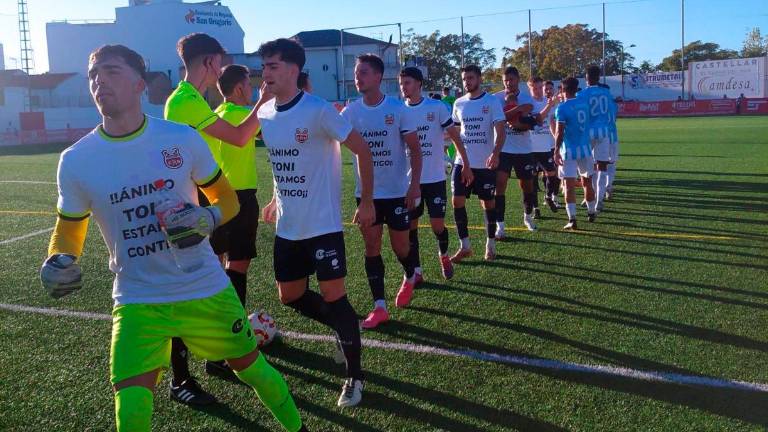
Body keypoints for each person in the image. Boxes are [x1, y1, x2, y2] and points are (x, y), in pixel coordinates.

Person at [40, 44, 307, 432]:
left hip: (202, 285)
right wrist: (59, 258)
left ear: (139, 84)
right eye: (93, 76)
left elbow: (228, 200)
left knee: (256, 374)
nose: (100, 81)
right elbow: (69, 230)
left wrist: (207, 217)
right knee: (130, 408)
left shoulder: (179, 138)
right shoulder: (77, 159)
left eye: (111, 72)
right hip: (137, 297)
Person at [257, 38, 375, 407]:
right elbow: (281, 162)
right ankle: (343, 329)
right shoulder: (264, 115)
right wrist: (276, 197)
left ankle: (355, 378)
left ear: (293, 70)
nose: (266, 73)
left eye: (273, 66)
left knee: (333, 296)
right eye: (264, 67)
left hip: (322, 225)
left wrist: (368, 200)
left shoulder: (319, 110)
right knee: (289, 296)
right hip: (288, 227)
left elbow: (363, 150)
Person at [164, 32, 271, 406]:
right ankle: (180, 379)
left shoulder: (190, 99)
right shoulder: (186, 101)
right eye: (220, 62)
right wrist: (264, 102)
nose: (221, 69)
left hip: (198, 208)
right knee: (187, 289)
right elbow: (241, 137)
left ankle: (217, 354)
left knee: (206, 284)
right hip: (186, 211)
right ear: (210, 62)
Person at [341, 53, 422, 328]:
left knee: (401, 247)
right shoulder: (350, 112)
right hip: (367, 196)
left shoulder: (398, 109)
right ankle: (379, 306)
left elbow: (415, 150)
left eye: (363, 72)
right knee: (372, 246)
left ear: (378, 76)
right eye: (356, 72)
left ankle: (411, 274)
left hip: (397, 193)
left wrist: (414, 185)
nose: (358, 77)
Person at [201, 64, 262, 380]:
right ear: (239, 88)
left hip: (214, 198)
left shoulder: (214, 113)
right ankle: (233, 340)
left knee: (217, 267)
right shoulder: (241, 115)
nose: (252, 91)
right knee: (237, 267)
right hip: (239, 199)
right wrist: (264, 103)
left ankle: (214, 346)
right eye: (249, 86)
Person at [398, 66, 473, 291]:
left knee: (437, 225)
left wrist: (466, 163)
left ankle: (443, 255)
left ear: (419, 84)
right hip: (411, 182)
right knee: (411, 226)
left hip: (435, 178)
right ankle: (417, 270)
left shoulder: (436, 107)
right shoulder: (399, 111)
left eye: (408, 83)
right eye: (401, 84)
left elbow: (454, 137)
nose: (404, 87)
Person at [449, 64, 505, 262]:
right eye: (464, 79)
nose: (467, 82)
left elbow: (500, 129)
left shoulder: (491, 102)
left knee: (488, 203)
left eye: (471, 78)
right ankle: (465, 245)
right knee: (456, 200)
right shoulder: (459, 103)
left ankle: (490, 244)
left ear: (480, 79)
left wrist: (496, 153)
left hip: (485, 163)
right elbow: (455, 133)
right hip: (462, 161)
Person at [493, 66, 538, 237]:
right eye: (505, 80)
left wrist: (520, 125)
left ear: (518, 79)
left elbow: (533, 123)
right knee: (500, 185)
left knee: (527, 185)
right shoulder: (495, 99)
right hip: (503, 148)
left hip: (524, 149)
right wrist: (518, 110)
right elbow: (495, 120)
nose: (508, 83)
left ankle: (527, 216)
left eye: (511, 80)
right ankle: (500, 225)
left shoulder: (528, 98)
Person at [554, 77, 596, 230]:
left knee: (569, 185)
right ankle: (591, 211)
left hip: (569, 151)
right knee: (587, 182)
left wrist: (556, 150)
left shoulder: (562, 108)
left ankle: (572, 219)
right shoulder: (584, 104)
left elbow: (559, 132)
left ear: (563, 90)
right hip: (585, 149)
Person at [579, 65, 617, 213]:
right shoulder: (606, 92)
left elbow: (581, 114)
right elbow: (612, 113)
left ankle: (589, 196)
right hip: (604, 132)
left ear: (586, 78)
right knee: (602, 167)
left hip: (588, 133)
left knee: (589, 167)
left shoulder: (582, 94)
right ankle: (599, 200)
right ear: (598, 77)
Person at [527, 76, 559, 216]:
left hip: (546, 147)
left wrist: (556, 137)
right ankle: (536, 208)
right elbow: (538, 118)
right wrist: (550, 105)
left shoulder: (548, 102)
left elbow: (551, 121)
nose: (539, 90)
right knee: (532, 179)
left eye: (540, 87)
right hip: (530, 149)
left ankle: (548, 196)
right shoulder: (528, 103)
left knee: (552, 174)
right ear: (530, 88)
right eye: (535, 88)